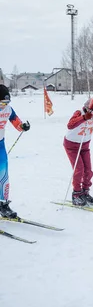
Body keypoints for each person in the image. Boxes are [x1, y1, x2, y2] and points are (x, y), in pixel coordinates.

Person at [0, 85, 30, 218]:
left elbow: (16, 122)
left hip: (0, 145)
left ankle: (3, 204)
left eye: (6, 103)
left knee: (3, 176)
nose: (4, 105)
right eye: (2, 103)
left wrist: (23, 126)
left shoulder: (8, 109)